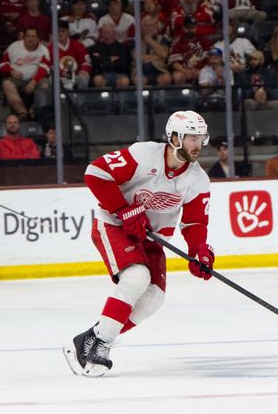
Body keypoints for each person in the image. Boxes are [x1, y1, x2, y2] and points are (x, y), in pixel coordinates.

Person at [64, 110, 214, 377]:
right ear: (175, 138)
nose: (198, 144)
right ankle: (102, 344)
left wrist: (199, 251)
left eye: (201, 138)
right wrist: (123, 209)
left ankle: (90, 338)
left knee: (154, 297)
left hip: (151, 236)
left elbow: (194, 223)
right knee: (136, 277)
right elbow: (95, 172)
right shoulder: (144, 155)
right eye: (192, 138)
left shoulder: (198, 179)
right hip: (113, 225)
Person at [0, 27, 52, 120]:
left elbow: (45, 68)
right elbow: (2, 64)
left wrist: (34, 81)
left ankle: (35, 110)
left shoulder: (44, 50)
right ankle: (22, 112)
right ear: (24, 37)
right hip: (17, 79)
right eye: (28, 36)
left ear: (38, 39)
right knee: (6, 84)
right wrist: (11, 71)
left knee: (45, 84)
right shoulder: (14, 46)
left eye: (33, 36)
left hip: (36, 79)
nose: (30, 38)